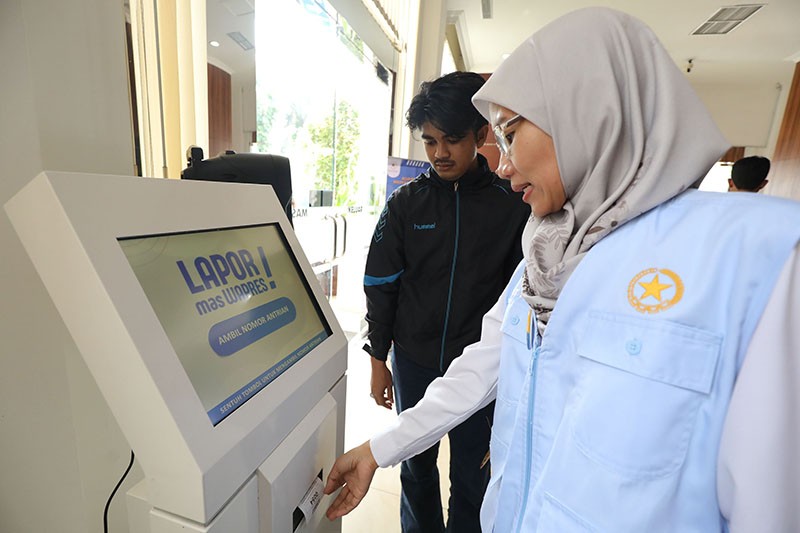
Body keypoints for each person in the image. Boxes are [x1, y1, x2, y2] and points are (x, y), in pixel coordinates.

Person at [325, 7, 800, 532]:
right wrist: (379, 447)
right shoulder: (548, 254)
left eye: (509, 133)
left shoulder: (759, 261)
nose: (503, 165)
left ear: (586, 111)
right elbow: (482, 366)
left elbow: (771, 505)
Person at [361, 71, 529, 532]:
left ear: (481, 136)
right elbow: (380, 284)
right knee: (415, 467)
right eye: (430, 141)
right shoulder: (405, 205)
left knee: (472, 473)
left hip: (479, 366)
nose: (439, 154)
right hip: (414, 359)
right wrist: (379, 359)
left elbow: (522, 297)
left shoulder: (511, 206)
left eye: (452, 140)